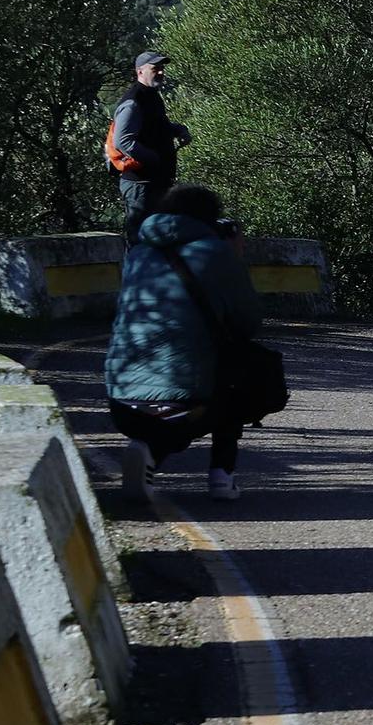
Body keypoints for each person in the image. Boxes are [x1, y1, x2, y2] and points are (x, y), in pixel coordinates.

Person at [105, 184, 263, 501]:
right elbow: (249, 323)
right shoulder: (217, 253)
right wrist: (234, 257)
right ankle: (222, 475)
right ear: (210, 219)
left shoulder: (137, 254)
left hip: (120, 398)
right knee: (237, 379)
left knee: (171, 403)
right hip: (187, 400)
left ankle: (147, 455)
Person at [108, 50, 192, 245]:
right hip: (140, 185)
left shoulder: (151, 97)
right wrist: (154, 159)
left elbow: (155, 128)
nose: (161, 72)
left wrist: (178, 130)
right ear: (140, 72)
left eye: (162, 68)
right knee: (140, 240)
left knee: (157, 238)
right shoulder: (134, 101)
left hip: (154, 183)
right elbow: (123, 141)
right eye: (155, 69)